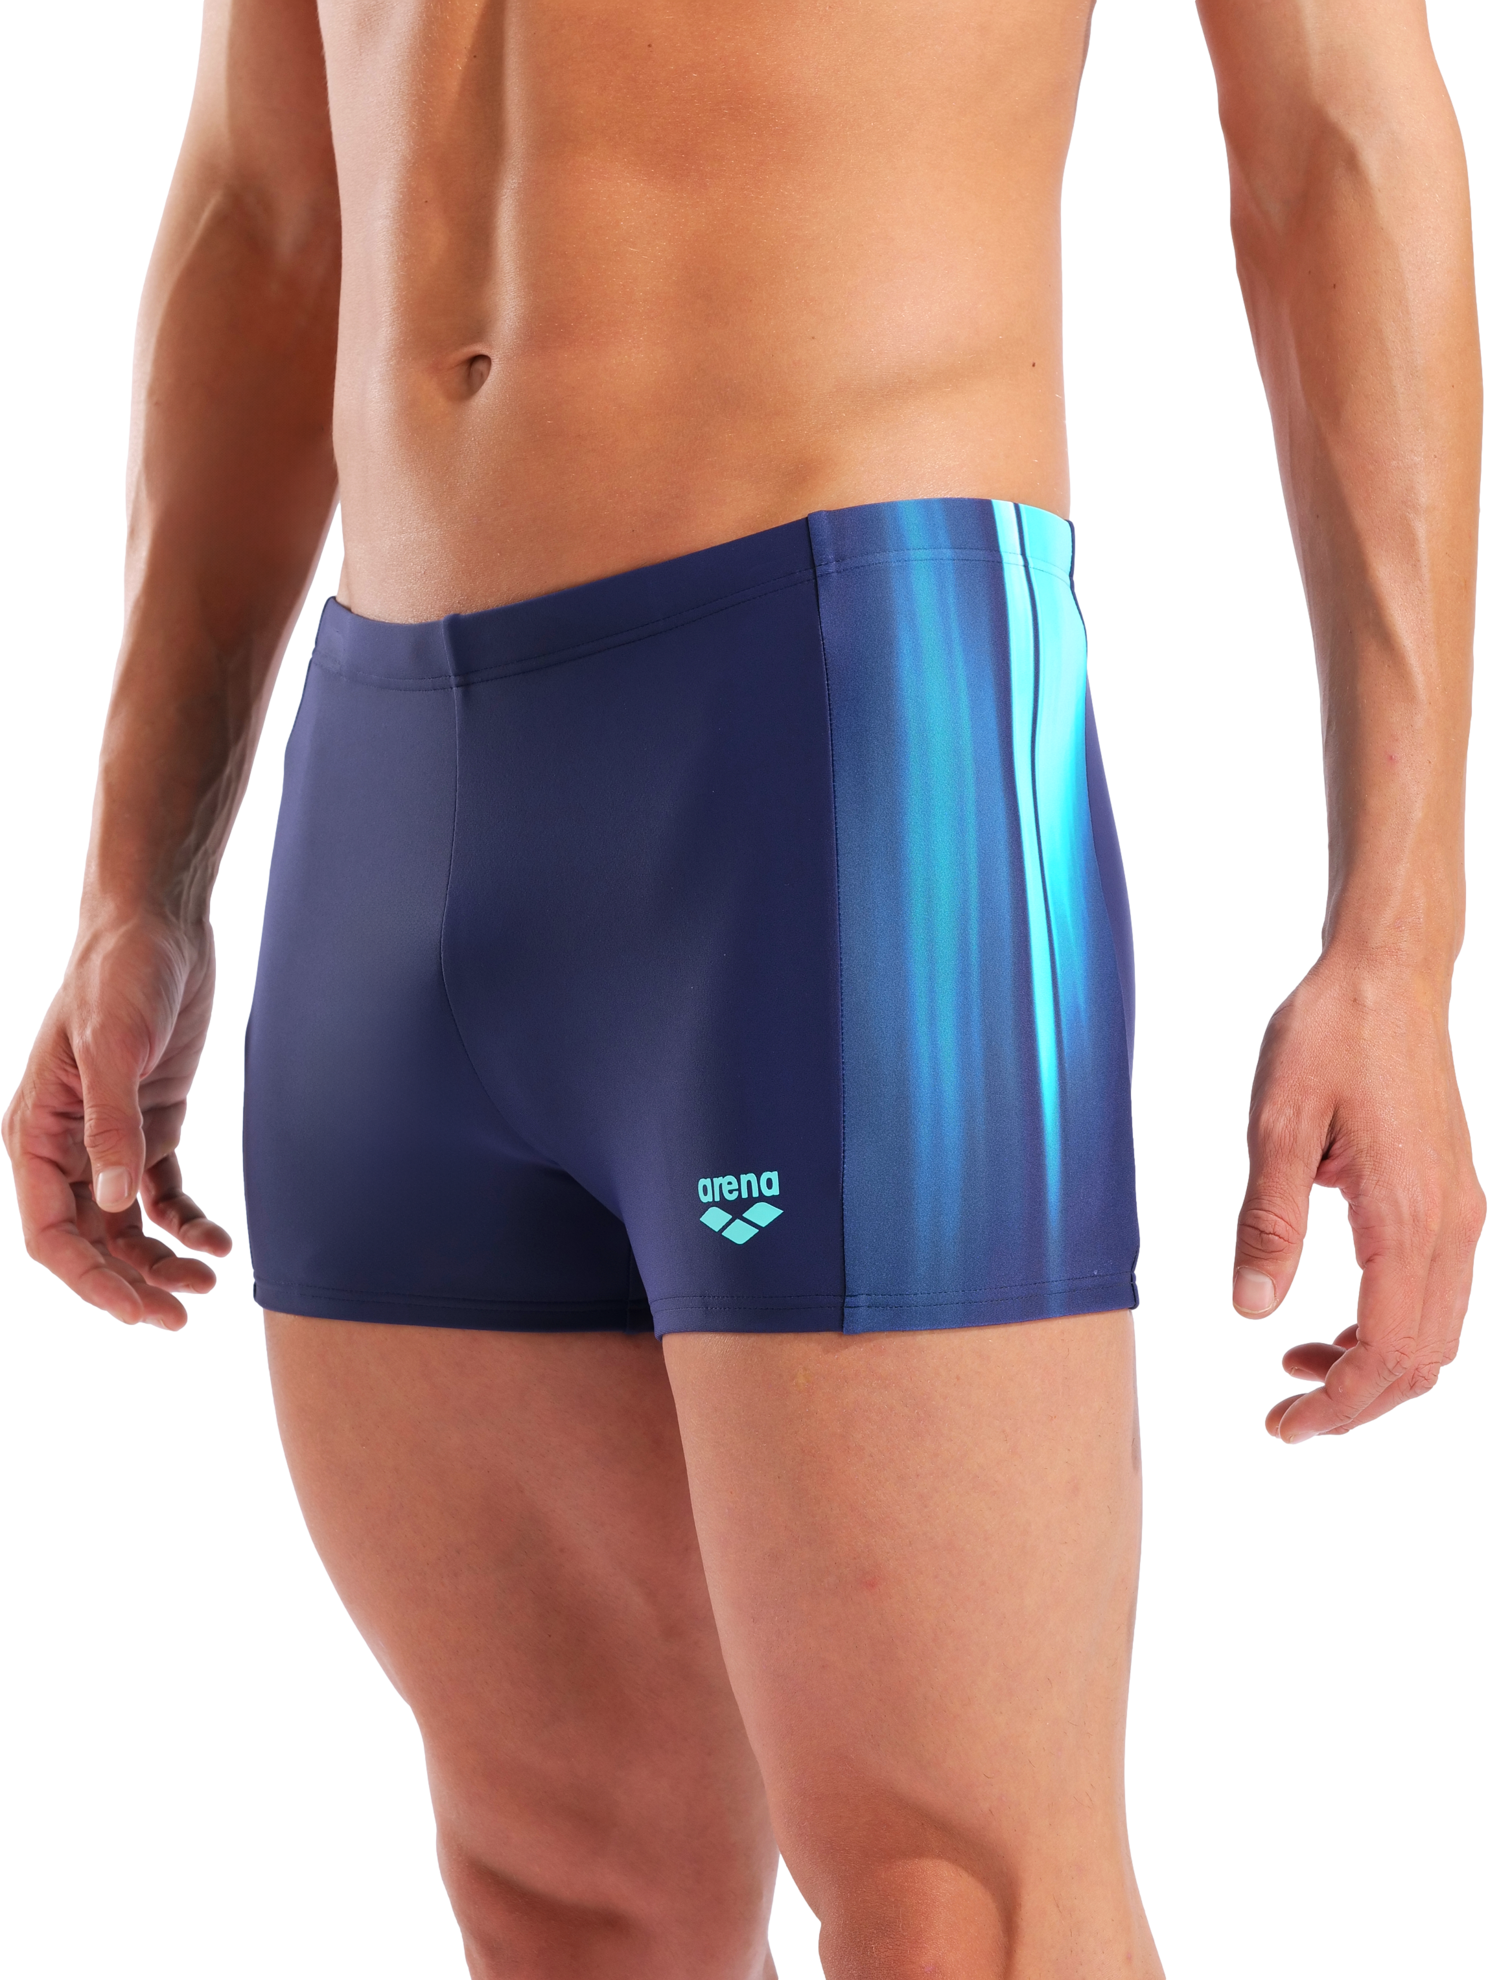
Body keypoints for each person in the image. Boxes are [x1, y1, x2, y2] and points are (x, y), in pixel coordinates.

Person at [4, 2, 1482, 1974]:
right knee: (563, 1886)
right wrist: (139, 881)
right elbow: (268, 204)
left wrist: (1398, 937)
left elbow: (1339, 136)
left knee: (966, 1903)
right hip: (391, 777)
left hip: (838, 726)